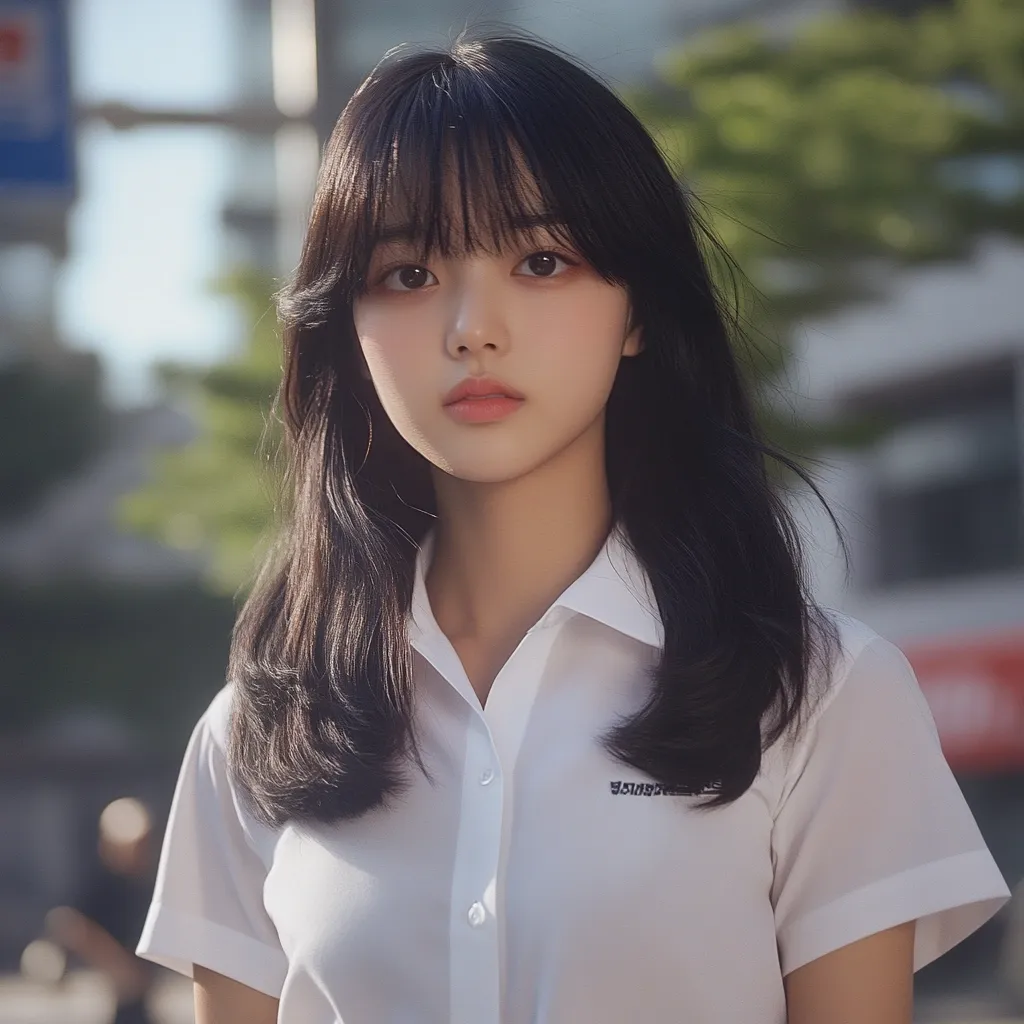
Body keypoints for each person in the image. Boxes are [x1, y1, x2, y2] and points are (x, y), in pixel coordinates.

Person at [135, 31, 1011, 1024]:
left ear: (637, 311)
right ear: (349, 327)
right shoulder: (262, 727)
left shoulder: (820, 697)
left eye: (541, 259)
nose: (472, 325)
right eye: (409, 274)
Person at [48, 798, 157, 1024]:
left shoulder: (144, 886)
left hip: (139, 1002)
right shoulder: (98, 889)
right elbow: (67, 924)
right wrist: (117, 965)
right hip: (105, 1000)